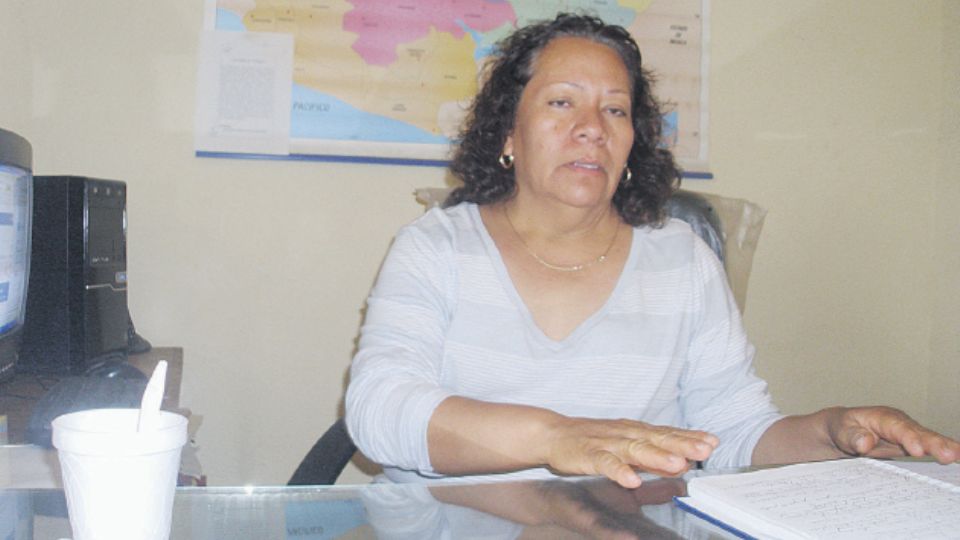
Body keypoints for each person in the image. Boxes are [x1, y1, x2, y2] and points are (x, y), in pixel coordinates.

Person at [345, 13, 959, 488]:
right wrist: (556, 438)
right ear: (509, 131)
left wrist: (829, 432)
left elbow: (732, 431)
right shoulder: (437, 248)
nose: (593, 127)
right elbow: (379, 411)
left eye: (615, 109)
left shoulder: (682, 260)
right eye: (562, 102)